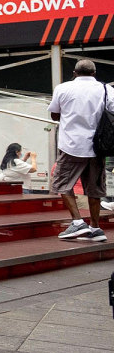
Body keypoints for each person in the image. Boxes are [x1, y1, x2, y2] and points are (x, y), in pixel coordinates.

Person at [50, 59, 107, 242]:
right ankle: (96, 228)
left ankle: (77, 222)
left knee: (62, 184)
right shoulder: (106, 90)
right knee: (94, 189)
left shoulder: (63, 88)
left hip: (71, 145)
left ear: (74, 73)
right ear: (94, 73)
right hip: (98, 147)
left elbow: (54, 114)